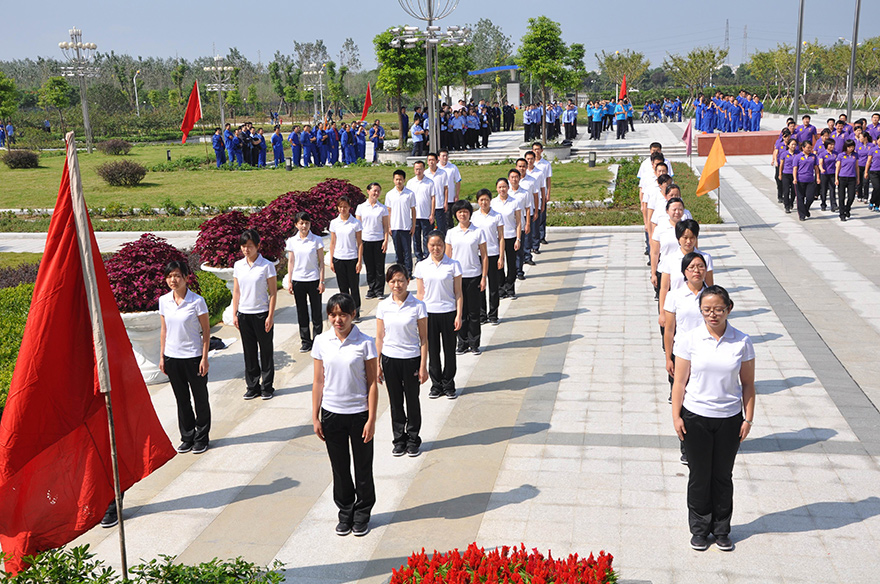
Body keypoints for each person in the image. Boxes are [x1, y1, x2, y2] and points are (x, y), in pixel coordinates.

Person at [672, 285, 755, 552]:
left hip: (730, 419)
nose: (713, 314)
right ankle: (698, 530)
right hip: (695, 416)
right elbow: (679, 382)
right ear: (701, 311)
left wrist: (748, 419)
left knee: (722, 476)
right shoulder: (690, 339)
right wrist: (676, 416)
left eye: (718, 309)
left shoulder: (742, 341)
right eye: (707, 309)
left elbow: (748, 385)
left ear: (729, 309)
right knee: (699, 475)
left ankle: (721, 529)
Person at [311, 293, 378, 537]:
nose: (338, 320)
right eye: (333, 315)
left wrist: (371, 419)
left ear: (353, 315)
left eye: (343, 314)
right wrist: (316, 416)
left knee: (363, 467)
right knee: (339, 468)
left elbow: (372, 383)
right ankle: (345, 512)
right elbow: (318, 381)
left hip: (359, 414)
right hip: (331, 414)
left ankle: (362, 513)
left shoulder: (365, 342)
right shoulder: (321, 341)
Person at [159, 260, 211, 454]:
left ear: (186, 278)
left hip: (193, 357)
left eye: (177, 275)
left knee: (200, 399)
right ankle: (187, 437)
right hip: (172, 358)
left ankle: (202, 437)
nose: (173, 279)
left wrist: (204, 358)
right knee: (182, 400)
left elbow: (206, 331)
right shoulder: (164, 301)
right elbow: (164, 330)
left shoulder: (197, 301)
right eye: (170, 276)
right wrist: (162, 356)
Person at [376, 264, 428, 457]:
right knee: (395, 402)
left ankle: (413, 439)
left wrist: (423, 366)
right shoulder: (383, 306)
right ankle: (399, 439)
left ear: (408, 280)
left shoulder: (418, 305)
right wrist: (377, 364)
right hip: (390, 360)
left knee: (412, 400)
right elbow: (379, 337)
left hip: (411, 359)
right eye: (392, 281)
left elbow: (424, 339)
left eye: (400, 280)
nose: (396, 285)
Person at [663, 252, 709, 464]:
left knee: (703, 398)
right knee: (682, 400)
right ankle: (686, 446)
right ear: (684, 273)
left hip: (707, 355)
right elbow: (669, 330)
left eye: (700, 267)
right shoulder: (675, 295)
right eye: (692, 267)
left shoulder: (713, 296)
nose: (697, 271)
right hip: (682, 355)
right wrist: (668, 358)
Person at [415, 230, 463, 399]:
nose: (436, 248)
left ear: (444, 245)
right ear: (427, 246)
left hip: (449, 312)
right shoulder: (421, 266)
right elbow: (420, 294)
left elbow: (458, 293)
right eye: (432, 245)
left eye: (439, 245)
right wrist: (418, 317)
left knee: (449, 351)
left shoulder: (453, 265)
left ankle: (449, 384)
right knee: (432, 351)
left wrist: (458, 315)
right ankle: (436, 385)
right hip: (429, 314)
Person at [232, 229, 277, 400]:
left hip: (261, 314)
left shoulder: (267, 266)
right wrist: (235, 313)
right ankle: (252, 386)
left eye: (250, 246)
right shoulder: (238, 265)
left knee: (265, 351)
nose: (246, 250)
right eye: (243, 246)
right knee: (249, 352)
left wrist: (270, 316)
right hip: (244, 314)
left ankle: (267, 386)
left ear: (258, 246)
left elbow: (273, 293)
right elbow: (236, 291)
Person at [446, 200, 488, 355]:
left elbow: (484, 256)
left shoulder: (478, 232)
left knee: (474, 312)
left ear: (470, 213)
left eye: (465, 211)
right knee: (460, 312)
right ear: (455, 215)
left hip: (474, 276)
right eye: (459, 212)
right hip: (457, 278)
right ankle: (462, 343)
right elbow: (448, 257)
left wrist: (484, 276)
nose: (462, 214)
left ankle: (474, 343)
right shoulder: (451, 233)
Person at [286, 211, 326, 352]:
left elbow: (321, 262)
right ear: (296, 225)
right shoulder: (292, 241)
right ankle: (305, 341)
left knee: (316, 311)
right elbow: (291, 262)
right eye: (301, 223)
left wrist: (322, 281)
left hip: (313, 279)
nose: (304, 226)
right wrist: (290, 280)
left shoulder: (316, 240)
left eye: (307, 223)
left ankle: (318, 340)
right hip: (298, 280)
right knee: (302, 312)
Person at [329, 196, 364, 322]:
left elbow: (360, 243)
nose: (343, 209)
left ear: (350, 207)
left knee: (354, 287)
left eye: (345, 206)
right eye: (340, 206)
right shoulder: (334, 223)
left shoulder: (355, 223)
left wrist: (359, 261)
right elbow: (332, 243)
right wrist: (331, 260)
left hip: (352, 258)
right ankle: (345, 311)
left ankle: (356, 312)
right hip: (339, 258)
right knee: (343, 288)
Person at [356, 183, 390, 299]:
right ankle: (371, 289)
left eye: (378, 191)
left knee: (379, 267)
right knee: (369, 267)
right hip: (366, 240)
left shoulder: (382, 208)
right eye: (374, 190)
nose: (376, 193)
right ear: (368, 191)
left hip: (379, 240)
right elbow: (358, 227)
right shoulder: (361, 207)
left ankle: (379, 290)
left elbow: (386, 226)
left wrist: (386, 240)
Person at [491, 177, 522, 300]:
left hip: (511, 237)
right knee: (499, 263)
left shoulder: (514, 202)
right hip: (497, 238)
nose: (502, 189)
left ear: (508, 187)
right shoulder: (493, 202)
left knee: (512, 264)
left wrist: (518, 238)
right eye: (500, 187)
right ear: (496, 189)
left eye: (504, 186)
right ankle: (501, 289)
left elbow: (519, 222)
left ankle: (510, 288)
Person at [385, 169, 417, 277]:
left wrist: (413, 225)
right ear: (393, 180)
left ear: (404, 180)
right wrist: (389, 226)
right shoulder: (390, 194)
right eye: (396, 179)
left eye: (400, 179)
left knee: (407, 251)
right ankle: (399, 271)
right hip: (394, 227)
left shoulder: (410, 194)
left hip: (406, 226)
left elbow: (413, 210)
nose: (398, 182)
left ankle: (408, 272)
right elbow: (388, 211)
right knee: (398, 251)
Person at [407, 160, 436, 262]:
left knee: (427, 237)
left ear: (424, 169)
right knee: (416, 238)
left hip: (426, 215)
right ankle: (419, 257)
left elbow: (433, 198)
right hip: (414, 216)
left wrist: (432, 214)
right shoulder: (410, 183)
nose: (418, 171)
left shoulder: (430, 182)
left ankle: (427, 255)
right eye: (416, 169)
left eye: (420, 169)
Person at [792, 140, 821, 221]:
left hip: (810, 179)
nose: (809, 149)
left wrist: (818, 177)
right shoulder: (798, 157)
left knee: (810, 197)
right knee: (800, 198)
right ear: (803, 148)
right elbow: (795, 168)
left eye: (810, 147)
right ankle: (802, 215)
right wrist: (795, 178)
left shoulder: (813, 157)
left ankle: (805, 209)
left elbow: (816, 168)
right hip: (800, 180)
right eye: (808, 147)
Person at [835, 139, 859, 221]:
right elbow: (838, 167)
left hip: (852, 177)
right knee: (841, 197)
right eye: (849, 147)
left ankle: (847, 208)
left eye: (852, 147)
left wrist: (858, 178)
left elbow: (856, 167)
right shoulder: (841, 155)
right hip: (842, 177)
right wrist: (836, 178)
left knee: (851, 196)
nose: (851, 149)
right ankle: (842, 214)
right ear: (846, 147)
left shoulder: (855, 155)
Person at [778, 139, 799, 214]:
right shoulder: (784, 154)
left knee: (794, 191)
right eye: (792, 144)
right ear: (788, 145)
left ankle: (791, 202)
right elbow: (781, 165)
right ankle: (786, 206)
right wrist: (780, 174)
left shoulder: (798, 154)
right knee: (786, 191)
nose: (793, 146)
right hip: (786, 174)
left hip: (795, 175)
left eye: (795, 144)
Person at [818, 139, 838, 212]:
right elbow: (820, 163)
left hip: (833, 173)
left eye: (833, 144)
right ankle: (823, 204)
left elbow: (838, 162)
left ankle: (834, 205)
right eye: (830, 144)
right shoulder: (823, 154)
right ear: (827, 145)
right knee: (824, 190)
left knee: (832, 189)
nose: (832, 146)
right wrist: (821, 169)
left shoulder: (836, 153)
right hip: (824, 174)